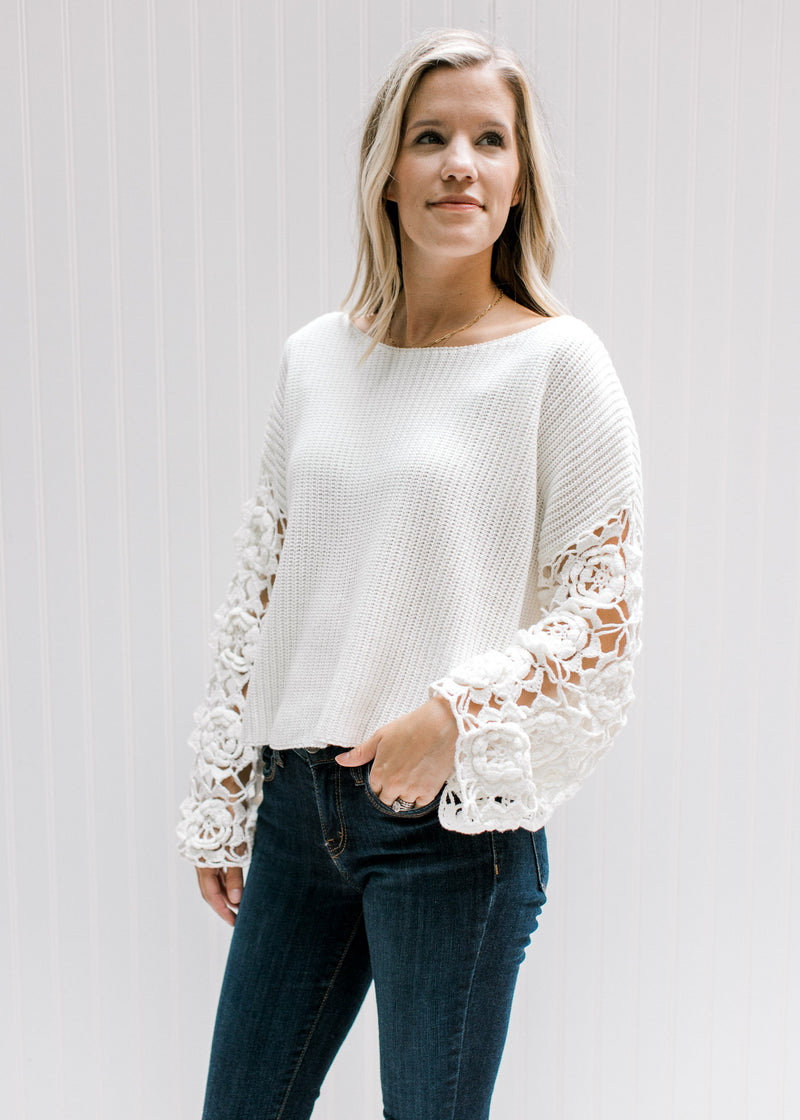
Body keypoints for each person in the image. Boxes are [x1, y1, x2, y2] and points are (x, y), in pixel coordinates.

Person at [176, 27, 643, 1120]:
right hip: (298, 812)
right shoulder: (313, 359)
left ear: (518, 177)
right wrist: (221, 796)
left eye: (489, 139)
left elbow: (605, 610)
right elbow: (263, 585)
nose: (458, 165)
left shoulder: (554, 363)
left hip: (451, 827)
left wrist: (449, 712)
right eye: (429, 137)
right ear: (386, 170)